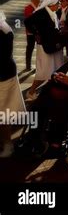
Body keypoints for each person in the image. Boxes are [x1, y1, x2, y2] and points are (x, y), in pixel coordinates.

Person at [24, 0, 65, 100]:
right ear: (51, 5)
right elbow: (27, 22)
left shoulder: (53, 13)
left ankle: (50, 93)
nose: (59, 5)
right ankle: (31, 92)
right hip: (45, 47)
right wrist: (36, 33)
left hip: (54, 47)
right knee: (44, 72)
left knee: (55, 70)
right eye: (57, 3)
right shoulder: (41, 13)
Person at [0, 11, 26, 158]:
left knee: (2, 111)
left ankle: (8, 144)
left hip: (3, 75)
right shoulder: (3, 26)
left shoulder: (2, 31)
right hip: (5, 72)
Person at [24, 0, 41, 70]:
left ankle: (39, 65)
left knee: (40, 49)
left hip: (39, 32)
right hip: (31, 32)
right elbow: (29, 20)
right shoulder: (28, 8)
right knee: (30, 48)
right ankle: (28, 65)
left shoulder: (40, 7)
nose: (39, 0)